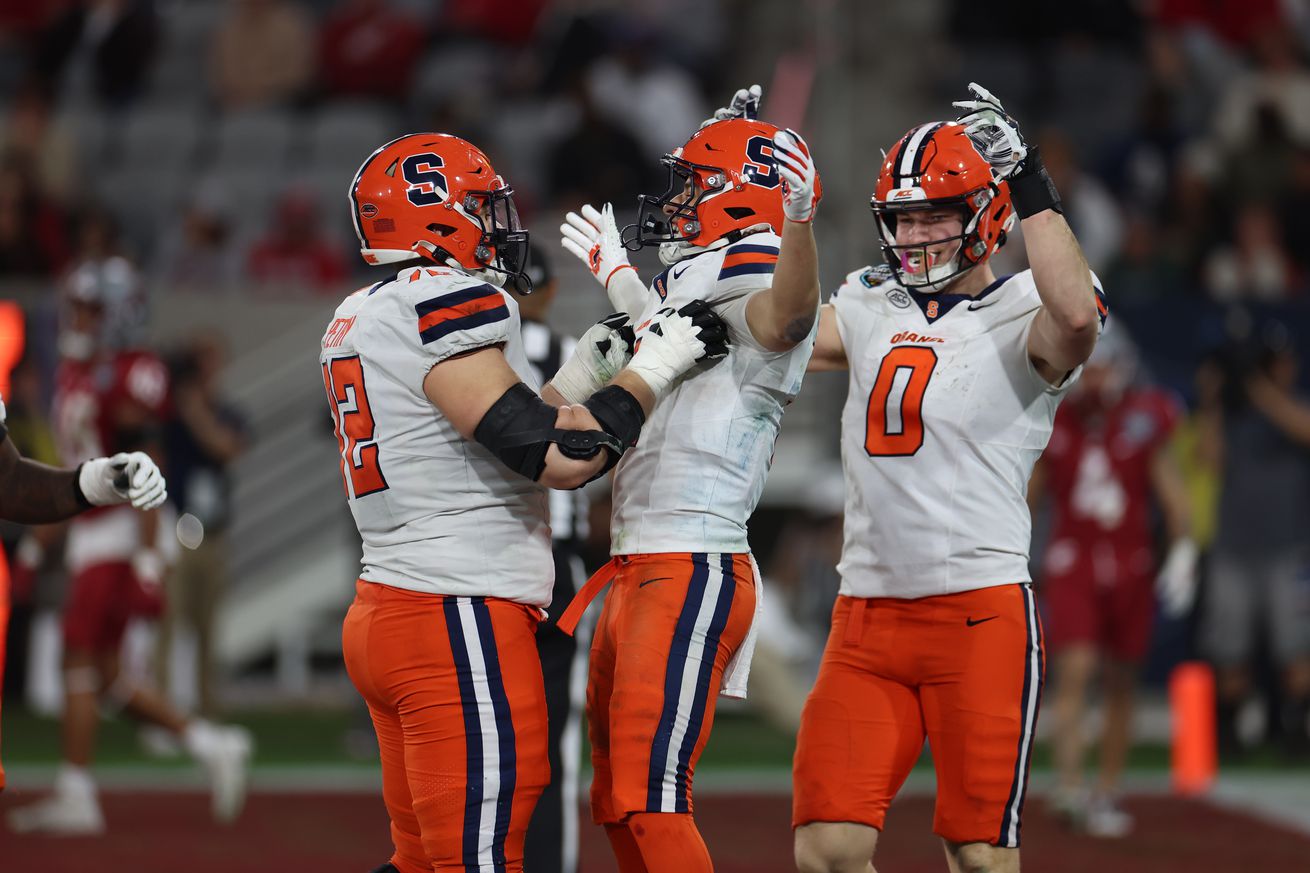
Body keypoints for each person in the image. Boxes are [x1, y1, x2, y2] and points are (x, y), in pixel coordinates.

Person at [330, 132, 729, 873]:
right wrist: (656, 367)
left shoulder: (364, 309)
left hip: (391, 605)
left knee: (422, 861)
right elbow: (559, 458)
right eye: (479, 209)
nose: (495, 225)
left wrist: (583, 376)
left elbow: (492, 431)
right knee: (480, 860)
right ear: (435, 216)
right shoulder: (444, 296)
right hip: (456, 613)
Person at [761, 83, 1102, 873]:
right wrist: (792, 222)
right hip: (867, 616)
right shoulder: (872, 299)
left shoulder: (1028, 306)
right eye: (902, 218)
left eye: (934, 215)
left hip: (977, 614)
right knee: (828, 848)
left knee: (979, 854)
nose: (913, 235)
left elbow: (1078, 319)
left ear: (985, 212)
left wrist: (1031, 183)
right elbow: (782, 331)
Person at [555, 115, 823, 872]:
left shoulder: (758, 258)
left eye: (694, 186)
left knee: (650, 793)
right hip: (641, 562)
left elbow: (783, 318)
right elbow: (680, 342)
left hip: (691, 559)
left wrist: (799, 223)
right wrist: (623, 285)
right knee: (617, 796)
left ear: (740, 199)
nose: (674, 202)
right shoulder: (694, 273)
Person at [6, 259, 252, 835]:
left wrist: (146, 557)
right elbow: (66, 477)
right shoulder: (75, 370)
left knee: (75, 654)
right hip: (91, 530)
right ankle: (212, 744)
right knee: (111, 679)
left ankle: (76, 792)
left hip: (121, 530)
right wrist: (35, 551)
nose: (79, 318)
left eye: (91, 309)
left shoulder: (130, 371)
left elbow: (146, 467)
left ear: (116, 313)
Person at [1029, 325, 1195, 837]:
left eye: (1107, 365)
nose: (1098, 376)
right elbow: (1027, 496)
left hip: (1131, 561)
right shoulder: (1057, 420)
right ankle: (1071, 783)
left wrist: (1184, 550)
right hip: (1073, 559)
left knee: (1123, 677)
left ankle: (1106, 787)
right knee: (1075, 670)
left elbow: (1172, 492)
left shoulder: (1145, 419)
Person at [515, 246, 592, 873]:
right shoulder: (571, 350)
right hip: (556, 564)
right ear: (549, 291)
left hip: (483, 563)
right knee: (552, 746)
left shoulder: (472, 350)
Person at [1202, 321, 1310, 759]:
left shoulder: (1292, 406)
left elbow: (1303, 430)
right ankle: (1230, 734)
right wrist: (1212, 400)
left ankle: (1295, 731)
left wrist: (1258, 385)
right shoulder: (1232, 413)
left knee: (1296, 648)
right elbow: (1209, 460)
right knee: (1230, 649)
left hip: (1289, 547)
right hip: (1234, 548)